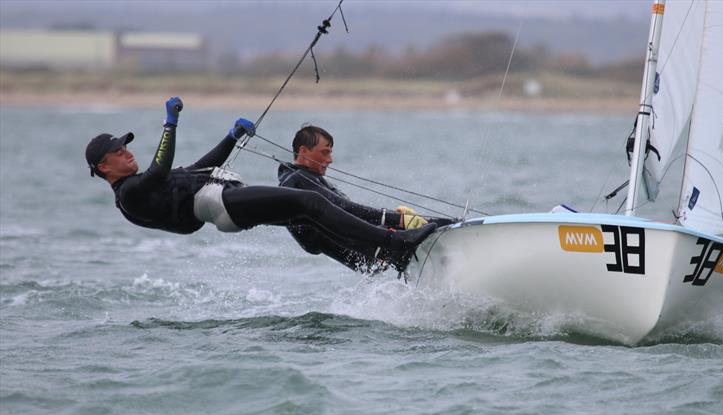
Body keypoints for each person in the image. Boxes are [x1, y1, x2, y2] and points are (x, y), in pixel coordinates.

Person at [85, 97, 436, 266]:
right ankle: (397, 244)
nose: (127, 153)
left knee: (308, 219)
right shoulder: (129, 193)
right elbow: (162, 170)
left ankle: (377, 259)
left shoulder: (141, 183)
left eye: (126, 147)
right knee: (309, 203)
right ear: (104, 166)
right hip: (218, 204)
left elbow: (194, 170)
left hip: (221, 199)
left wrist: (231, 137)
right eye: (119, 151)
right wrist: (169, 124)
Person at [278, 125, 455, 273]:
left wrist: (398, 219)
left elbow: (348, 212)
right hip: (371, 253)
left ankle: (455, 233)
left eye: (330, 153)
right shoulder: (297, 181)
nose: (330, 160)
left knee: (438, 224)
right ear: (303, 151)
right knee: (436, 225)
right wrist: (398, 219)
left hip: (373, 251)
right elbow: (344, 208)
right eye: (324, 153)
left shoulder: (305, 177)